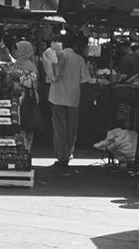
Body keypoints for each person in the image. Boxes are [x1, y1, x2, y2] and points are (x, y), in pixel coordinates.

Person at [49, 34, 91, 169]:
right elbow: (85, 80)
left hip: (56, 97)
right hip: (73, 97)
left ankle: (61, 156)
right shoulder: (79, 59)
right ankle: (68, 153)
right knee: (71, 128)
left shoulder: (55, 57)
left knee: (59, 128)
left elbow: (48, 77)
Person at [12, 40, 40, 152]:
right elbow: (35, 86)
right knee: (27, 129)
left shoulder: (14, 65)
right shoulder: (32, 67)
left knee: (18, 125)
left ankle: (18, 151)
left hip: (16, 101)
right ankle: (26, 151)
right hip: (28, 101)